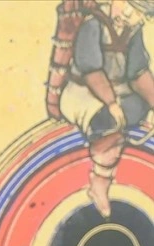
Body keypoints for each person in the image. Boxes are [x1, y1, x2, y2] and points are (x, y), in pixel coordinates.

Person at [59, 0, 154, 218]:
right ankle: (100, 181)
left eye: (137, 13)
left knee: (139, 107)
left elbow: (138, 72)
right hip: (83, 91)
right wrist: (111, 103)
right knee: (107, 122)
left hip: (117, 90)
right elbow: (90, 69)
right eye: (128, 7)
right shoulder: (93, 23)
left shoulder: (133, 30)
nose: (129, 15)